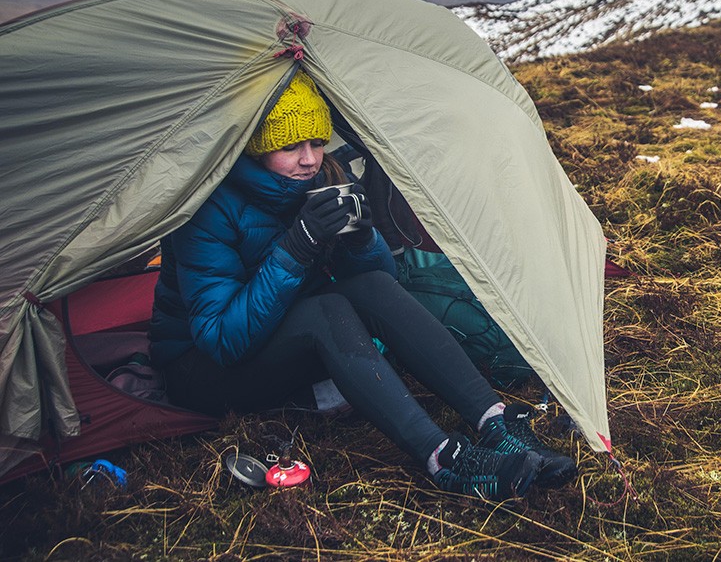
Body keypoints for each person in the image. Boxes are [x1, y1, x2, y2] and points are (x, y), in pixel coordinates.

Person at [148, 70, 576, 500]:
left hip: (279, 338)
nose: (310, 159)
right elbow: (222, 340)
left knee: (367, 284)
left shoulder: (312, 185)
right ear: (256, 150)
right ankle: (443, 459)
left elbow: (378, 287)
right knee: (324, 312)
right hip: (202, 371)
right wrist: (295, 250)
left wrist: (361, 241)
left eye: (317, 142)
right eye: (291, 146)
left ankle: (495, 422)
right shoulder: (208, 210)